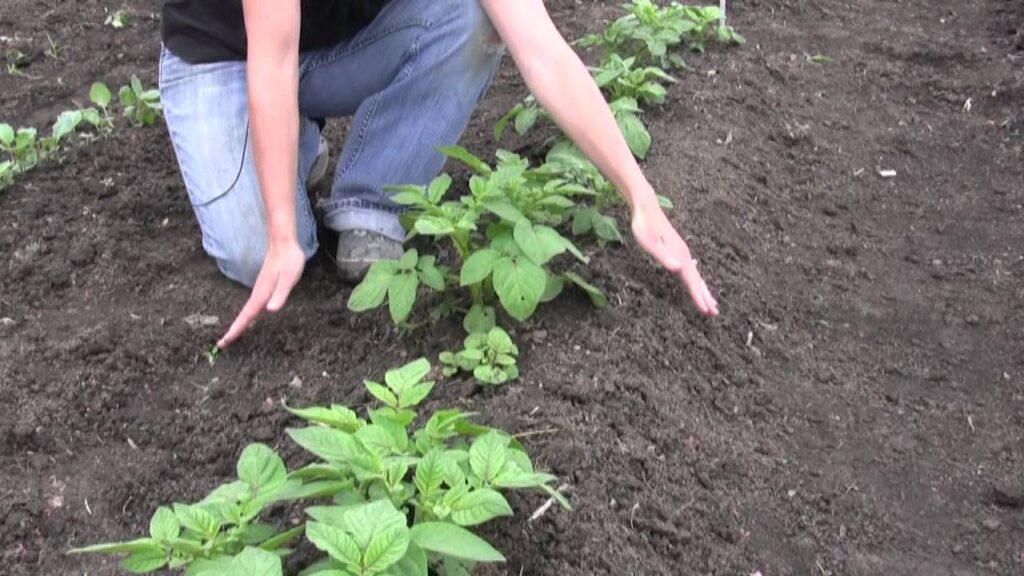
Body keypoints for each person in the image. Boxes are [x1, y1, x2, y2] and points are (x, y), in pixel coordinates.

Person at [158, 0, 719, 349]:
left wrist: (639, 196)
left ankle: (372, 199)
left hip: (339, 48)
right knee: (261, 256)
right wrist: (282, 232)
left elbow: (541, 49)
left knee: (472, 15)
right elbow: (272, 57)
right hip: (228, 58)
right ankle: (288, 145)